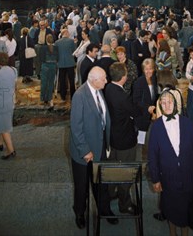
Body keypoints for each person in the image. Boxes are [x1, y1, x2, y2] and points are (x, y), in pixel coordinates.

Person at [148, 89, 193, 235]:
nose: (167, 106)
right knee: (171, 208)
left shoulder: (186, 123)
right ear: (160, 105)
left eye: (170, 102)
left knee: (187, 207)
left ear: (175, 104)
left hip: (188, 174)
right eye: (163, 103)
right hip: (168, 176)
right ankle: (172, 233)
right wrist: (155, 179)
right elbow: (152, 156)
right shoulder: (156, 127)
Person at [70, 66, 118, 229]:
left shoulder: (99, 91)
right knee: (82, 186)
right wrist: (85, 151)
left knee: (101, 183)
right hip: (84, 152)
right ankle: (79, 213)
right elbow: (76, 128)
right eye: (104, 78)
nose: (107, 81)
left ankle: (105, 210)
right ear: (94, 80)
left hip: (100, 146)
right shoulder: (79, 96)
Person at [105, 62, 141, 214]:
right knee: (126, 172)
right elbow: (135, 112)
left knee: (112, 168)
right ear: (123, 77)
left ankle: (111, 193)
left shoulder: (108, 88)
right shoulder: (122, 96)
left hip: (111, 138)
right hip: (125, 140)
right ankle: (125, 203)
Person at [133, 58, 158, 137]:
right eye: (146, 69)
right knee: (142, 140)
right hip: (142, 115)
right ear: (143, 70)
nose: (148, 71)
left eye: (150, 69)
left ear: (153, 69)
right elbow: (136, 100)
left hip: (154, 115)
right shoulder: (138, 82)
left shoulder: (155, 80)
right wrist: (147, 108)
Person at [54, 28, 76, 102]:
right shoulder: (71, 41)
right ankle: (73, 96)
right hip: (70, 63)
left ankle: (63, 96)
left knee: (62, 80)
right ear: (66, 33)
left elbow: (56, 54)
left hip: (61, 63)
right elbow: (74, 51)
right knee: (71, 80)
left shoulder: (57, 42)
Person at [40, 35, 58, 107]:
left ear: (46, 40)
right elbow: (58, 58)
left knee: (44, 82)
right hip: (53, 66)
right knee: (51, 83)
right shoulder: (56, 48)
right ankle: (50, 98)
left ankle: (44, 98)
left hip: (45, 66)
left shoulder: (43, 48)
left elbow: (41, 58)